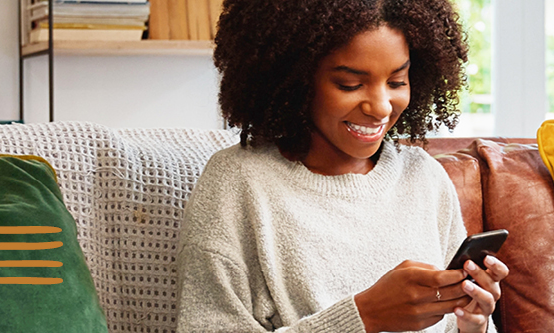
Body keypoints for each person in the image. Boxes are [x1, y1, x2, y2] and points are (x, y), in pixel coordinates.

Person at [175, 0, 510, 332]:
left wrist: (475, 324)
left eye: (396, 82)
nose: (380, 107)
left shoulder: (423, 176)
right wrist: (364, 317)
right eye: (350, 85)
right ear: (296, 80)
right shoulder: (238, 183)